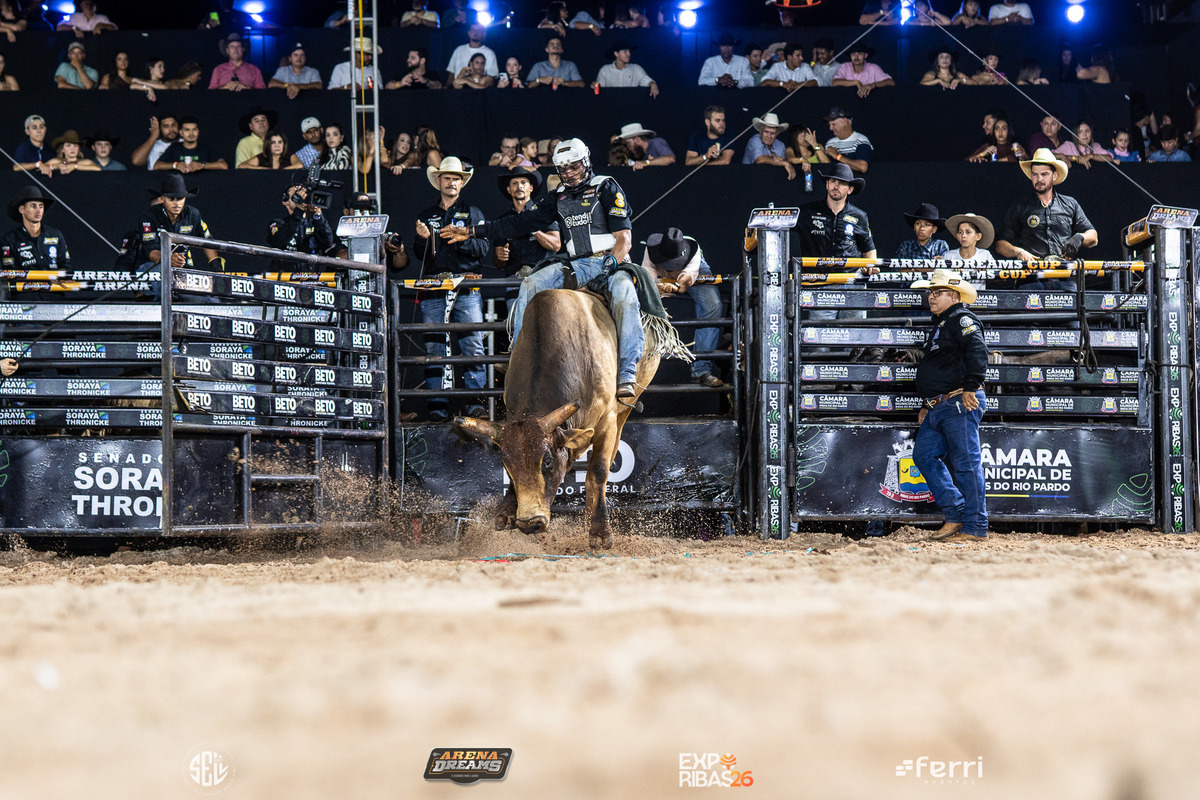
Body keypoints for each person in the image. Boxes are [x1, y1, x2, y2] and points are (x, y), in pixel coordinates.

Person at [440, 139, 655, 400]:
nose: (569, 173)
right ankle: (518, 357)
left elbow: (624, 240)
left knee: (624, 295)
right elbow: (519, 223)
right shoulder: (558, 197)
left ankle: (627, 371)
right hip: (576, 264)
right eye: (563, 169)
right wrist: (472, 231)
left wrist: (608, 266)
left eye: (574, 167)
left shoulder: (606, 187)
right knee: (530, 283)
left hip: (611, 261)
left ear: (586, 162)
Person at [909, 268, 989, 542]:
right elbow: (942, 365)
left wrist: (971, 386)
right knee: (924, 456)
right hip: (941, 404)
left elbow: (977, 349)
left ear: (954, 296)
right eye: (931, 292)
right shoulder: (944, 323)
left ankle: (975, 527)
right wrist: (927, 402)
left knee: (966, 464)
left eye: (938, 292)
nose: (931, 296)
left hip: (958, 401)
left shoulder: (961, 319)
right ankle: (956, 514)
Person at [410, 157, 489, 421]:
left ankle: (476, 403)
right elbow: (420, 256)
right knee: (434, 347)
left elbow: (484, 248)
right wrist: (422, 240)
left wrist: (462, 237)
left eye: (456, 178)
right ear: (439, 181)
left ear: (462, 183)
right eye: (447, 178)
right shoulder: (426, 215)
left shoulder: (473, 213)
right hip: (435, 286)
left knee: (473, 345)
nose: (452, 182)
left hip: (466, 286)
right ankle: (437, 406)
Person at [994, 148, 1098, 289]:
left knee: (1074, 299)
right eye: (1035, 174)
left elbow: (1093, 237)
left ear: (1054, 175)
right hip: (1031, 276)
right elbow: (1000, 244)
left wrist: (1079, 237)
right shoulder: (1020, 206)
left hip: (1064, 275)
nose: (1039, 179)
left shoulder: (1070, 204)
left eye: (1044, 174)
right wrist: (1018, 252)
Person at [642, 228, 725, 387]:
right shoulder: (651, 250)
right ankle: (636, 369)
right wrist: (654, 288)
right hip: (659, 275)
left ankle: (701, 370)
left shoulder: (693, 252)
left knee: (713, 306)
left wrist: (676, 286)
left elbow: (686, 279)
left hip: (693, 272)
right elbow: (647, 276)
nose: (670, 266)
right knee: (639, 299)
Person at [796, 163, 877, 321]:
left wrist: (870, 265)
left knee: (855, 333)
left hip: (852, 284)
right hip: (820, 284)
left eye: (842, 183)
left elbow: (869, 249)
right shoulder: (807, 212)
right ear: (827, 184)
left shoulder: (859, 216)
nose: (836, 186)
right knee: (820, 335)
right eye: (833, 181)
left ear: (850, 189)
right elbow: (780, 225)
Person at [135, 172, 223, 299]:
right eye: (171, 199)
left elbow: (207, 240)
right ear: (163, 199)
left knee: (210, 299)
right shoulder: (149, 217)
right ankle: (166, 305)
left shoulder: (193, 214)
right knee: (162, 274)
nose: (176, 203)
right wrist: (169, 258)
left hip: (182, 269)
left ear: (185, 198)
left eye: (180, 198)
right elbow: (151, 252)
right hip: (150, 268)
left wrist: (216, 265)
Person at [492, 170, 561, 309]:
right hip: (515, 282)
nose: (519, 186)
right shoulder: (504, 220)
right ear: (509, 190)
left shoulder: (544, 213)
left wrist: (533, 228)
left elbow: (556, 245)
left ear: (531, 188)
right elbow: (498, 263)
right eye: (515, 183)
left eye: (524, 182)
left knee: (547, 321)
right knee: (517, 322)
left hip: (544, 277)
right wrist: (500, 257)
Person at [267, 180, 339, 270]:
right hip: (285, 276)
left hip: (311, 277)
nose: (302, 197)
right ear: (285, 201)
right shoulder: (278, 223)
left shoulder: (315, 224)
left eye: (304, 194)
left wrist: (317, 214)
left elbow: (328, 242)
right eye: (297, 193)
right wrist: (298, 211)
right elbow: (279, 241)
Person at [2, 185, 71, 274]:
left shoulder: (56, 235)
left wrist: (57, 277)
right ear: (22, 209)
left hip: (55, 283)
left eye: (41, 206)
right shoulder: (9, 240)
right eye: (33, 206)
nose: (38, 211)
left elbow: (66, 267)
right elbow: (9, 273)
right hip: (25, 283)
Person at [156, 116, 228, 172]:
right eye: (187, 130)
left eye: (194, 129)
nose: (191, 133)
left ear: (198, 131)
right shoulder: (175, 147)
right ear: (181, 133)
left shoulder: (206, 148)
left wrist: (202, 165)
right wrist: (175, 165)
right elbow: (157, 166)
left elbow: (223, 165)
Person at [594, 39, 659, 98]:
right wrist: (595, 85)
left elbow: (646, 80)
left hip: (631, 104)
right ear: (616, 53)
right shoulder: (605, 70)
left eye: (629, 51)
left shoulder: (636, 69)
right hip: (610, 105)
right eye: (625, 51)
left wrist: (652, 84)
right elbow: (598, 88)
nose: (629, 54)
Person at [820, 106, 873, 174]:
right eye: (829, 125)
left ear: (845, 121)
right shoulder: (830, 143)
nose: (830, 128)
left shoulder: (860, 140)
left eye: (833, 124)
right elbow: (826, 166)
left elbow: (863, 167)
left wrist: (838, 156)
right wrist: (816, 147)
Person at [742, 112, 794, 180]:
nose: (769, 136)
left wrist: (783, 162)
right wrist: (784, 163)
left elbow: (780, 166)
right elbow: (759, 159)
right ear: (761, 131)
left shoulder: (780, 145)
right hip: (749, 179)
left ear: (777, 134)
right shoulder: (754, 140)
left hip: (771, 180)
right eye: (766, 132)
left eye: (772, 133)